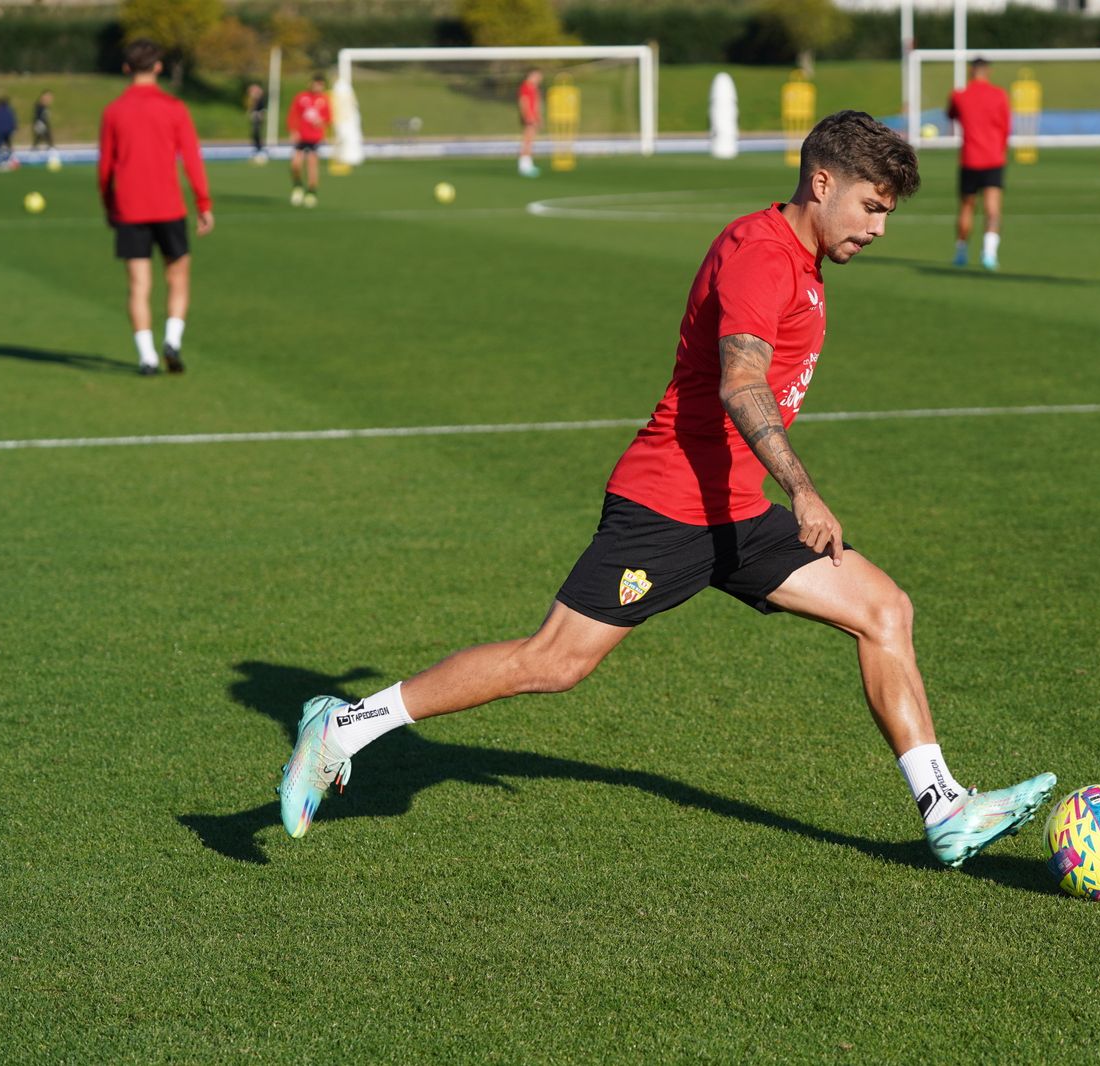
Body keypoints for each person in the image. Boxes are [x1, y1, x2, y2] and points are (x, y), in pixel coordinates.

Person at [277, 110, 1057, 869]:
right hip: (667, 505)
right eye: (871, 207)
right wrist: (805, 489)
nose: (880, 227)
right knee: (553, 663)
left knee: (884, 610)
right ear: (822, 182)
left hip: (735, 510)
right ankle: (344, 726)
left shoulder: (802, 261)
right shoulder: (760, 253)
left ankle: (944, 809)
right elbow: (741, 381)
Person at [97, 38, 214, 376]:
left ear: (126, 68)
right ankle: (172, 341)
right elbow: (192, 158)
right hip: (169, 208)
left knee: (138, 285)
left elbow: (105, 167)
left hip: (130, 209)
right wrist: (203, 203)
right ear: (159, 67)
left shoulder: (113, 111)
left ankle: (147, 356)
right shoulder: (174, 108)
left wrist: (108, 204)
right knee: (177, 277)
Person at [946, 57, 1012, 271]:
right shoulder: (1000, 95)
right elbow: (1006, 127)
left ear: (970, 71)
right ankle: (989, 254)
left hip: (970, 159)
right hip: (994, 158)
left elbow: (951, 114)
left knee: (966, 206)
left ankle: (961, 252)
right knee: (993, 208)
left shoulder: (959, 95)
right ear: (988, 71)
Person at [288, 73, 332, 207]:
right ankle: (298, 186)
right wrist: (293, 130)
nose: (318, 87)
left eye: (320, 85)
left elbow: (328, 117)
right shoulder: (301, 97)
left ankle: (311, 192)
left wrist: (321, 122)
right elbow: (293, 114)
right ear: (311, 84)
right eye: (316, 84)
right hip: (301, 136)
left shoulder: (324, 100)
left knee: (312, 165)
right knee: (295, 164)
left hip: (314, 137)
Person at [518, 67, 542, 178]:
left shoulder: (534, 87)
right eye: (537, 75)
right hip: (529, 117)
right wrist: (528, 116)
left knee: (530, 141)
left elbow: (536, 104)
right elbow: (524, 102)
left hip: (534, 117)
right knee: (527, 141)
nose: (539, 78)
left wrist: (538, 117)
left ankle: (528, 164)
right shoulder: (525, 87)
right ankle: (524, 166)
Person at [245, 82, 268, 163]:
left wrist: (259, 115)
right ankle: (256, 149)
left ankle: (260, 149)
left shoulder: (260, 99)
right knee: (254, 134)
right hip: (254, 118)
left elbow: (261, 110)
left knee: (257, 133)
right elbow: (250, 108)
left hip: (258, 118)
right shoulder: (252, 100)